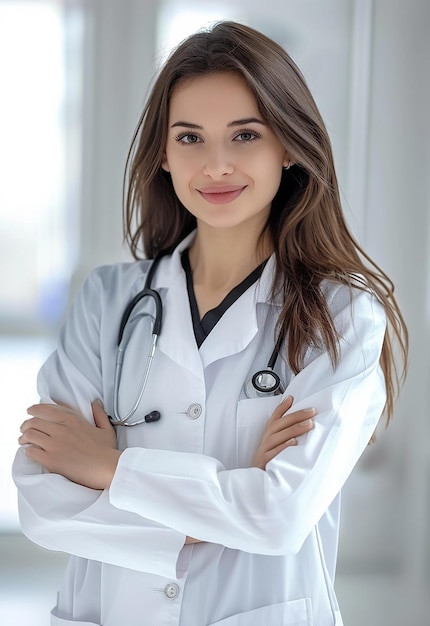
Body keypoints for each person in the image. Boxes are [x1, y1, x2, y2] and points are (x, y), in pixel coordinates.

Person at [13, 20, 408, 626]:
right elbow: (43, 502)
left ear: (291, 146)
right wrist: (226, 496)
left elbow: (280, 518)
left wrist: (112, 469)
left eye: (244, 135)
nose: (216, 164)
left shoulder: (343, 316)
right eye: (190, 137)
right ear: (164, 157)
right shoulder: (106, 301)